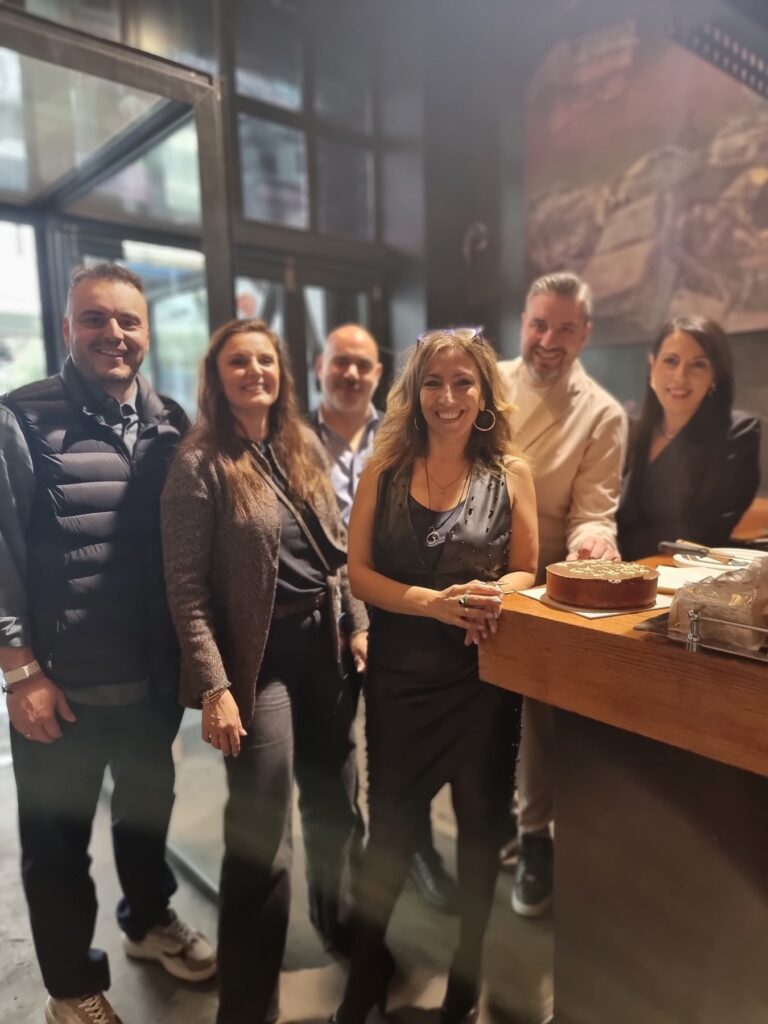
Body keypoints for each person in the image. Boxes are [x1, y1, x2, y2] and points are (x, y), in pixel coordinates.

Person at [0, 263, 215, 1024]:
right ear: (67, 328)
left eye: (127, 321)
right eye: (94, 318)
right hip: (59, 692)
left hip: (150, 684)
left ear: (146, 334)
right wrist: (19, 672)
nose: (112, 334)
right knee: (57, 846)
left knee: (145, 817)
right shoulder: (21, 419)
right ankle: (70, 990)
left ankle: (149, 922)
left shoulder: (170, 421)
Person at [160, 318, 368, 1024]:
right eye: (238, 362)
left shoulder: (301, 442)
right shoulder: (199, 464)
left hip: (324, 647)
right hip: (259, 664)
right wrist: (215, 685)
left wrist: (357, 623)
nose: (255, 372)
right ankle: (248, 1006)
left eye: (265, 360)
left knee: (338, 805)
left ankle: (342, 926)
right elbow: (186, 591)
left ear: (282, 372)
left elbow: (336, 552)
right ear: (216, 378)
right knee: (262, 838)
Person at [333, 326, 538, 1024]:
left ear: (483, 393)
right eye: (433, 382)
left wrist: (492, 595)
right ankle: (363, 982)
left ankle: (464, 983)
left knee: (481, 832)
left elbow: (526, 568)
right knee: (389, 835)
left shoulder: (511, 472)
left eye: (462, 382)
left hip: (482, 679)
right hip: (399, 679)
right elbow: (359, 574)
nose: (448, 396)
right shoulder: (383, 471)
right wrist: (428, 602)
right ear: (414, 392)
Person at [313, 322, 458, 913]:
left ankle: (414, 848)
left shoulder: (407, 435)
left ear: (379, 374)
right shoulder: (292, 440)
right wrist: (353, 620)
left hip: (401, 614)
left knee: (403, 750)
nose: (351, 374)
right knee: (334, 758)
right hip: (320, 618)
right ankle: (345, 878)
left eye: (363, 364)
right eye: (339, 361)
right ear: (319, 365)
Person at [497, 272, 627, 918]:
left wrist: (594, 543)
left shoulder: (603, 414)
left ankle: (534, 837)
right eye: (539, 324)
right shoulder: (483, 381)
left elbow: (594, 511)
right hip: (458, 571)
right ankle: (481, 821)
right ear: (523, 321)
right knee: (468, 710)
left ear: (585, 334)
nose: (549, 340)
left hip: (538, 580)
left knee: (537, 718)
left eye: (565, 329)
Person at [617, 315, 760, 560]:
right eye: (671, 361)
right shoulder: (628, 432)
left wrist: (617, 548)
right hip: (609, 568)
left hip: (681, 574)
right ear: (653, 365)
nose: (680, 376)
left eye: (698, 364)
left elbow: (704, 532)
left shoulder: (739, 432)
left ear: (715, 375)